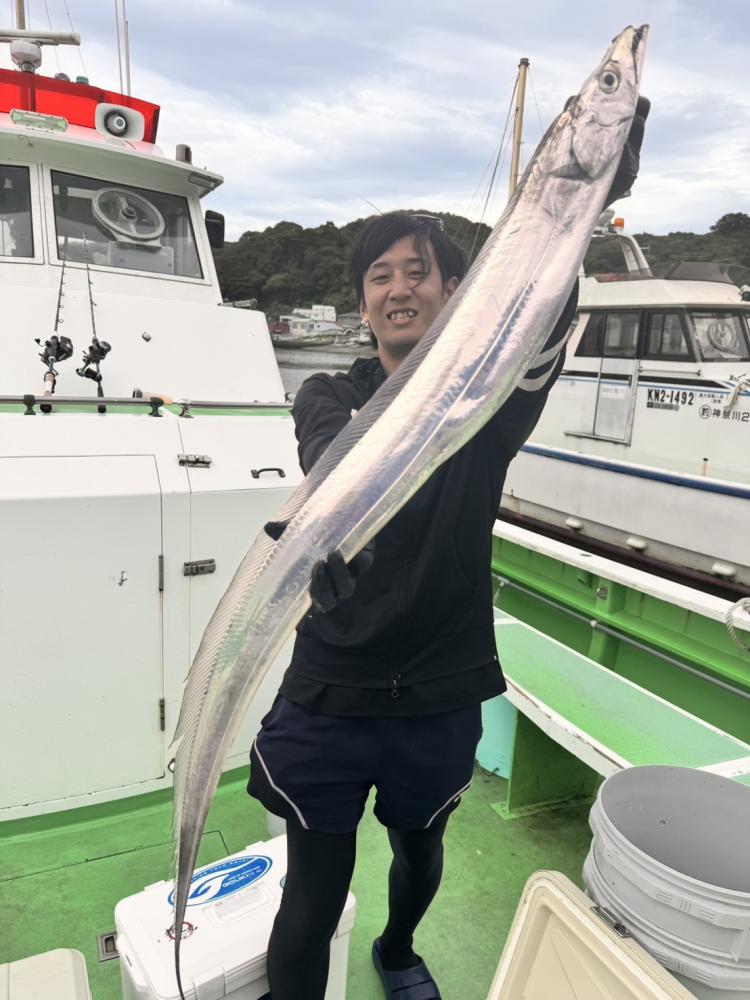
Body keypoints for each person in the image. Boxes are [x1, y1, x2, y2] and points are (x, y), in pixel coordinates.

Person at [249, 99, 649, 1000]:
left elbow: (541, 321)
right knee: (311, 890)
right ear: (362, 303)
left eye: (419, 272)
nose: (399, 288)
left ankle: (397, 949)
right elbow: (330, 460)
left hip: (440, 683)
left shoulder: (490, 404)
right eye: (380, 276)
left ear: (455, 289)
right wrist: (331, 542)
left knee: (419, 850)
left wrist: (583, 211)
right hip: (332, 682)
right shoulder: (328, 392)